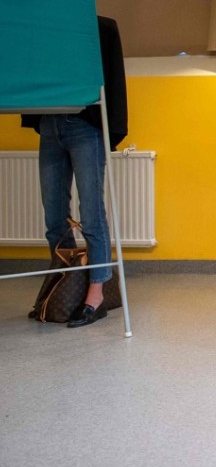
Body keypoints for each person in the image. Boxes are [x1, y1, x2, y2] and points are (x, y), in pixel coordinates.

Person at [22, 16, 128, 328]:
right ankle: (64, 288)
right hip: (49, 123)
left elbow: (114, 79)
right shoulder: (40, 27)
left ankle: (96, 294)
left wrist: (114, 130)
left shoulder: (101, 27)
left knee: (91, 212)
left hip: (85, 125)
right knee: (54, 214)